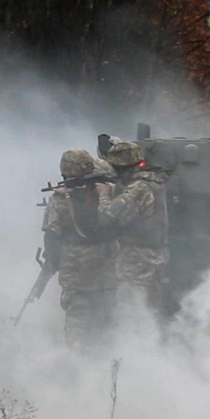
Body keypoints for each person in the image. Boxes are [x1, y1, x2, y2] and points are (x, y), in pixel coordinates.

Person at [41, 149, 120, 350]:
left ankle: (78, 361)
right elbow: (115, 221)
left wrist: (53, 263)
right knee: (105, 316)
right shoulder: (105, 192)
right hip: (104, 266)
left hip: (74, 269)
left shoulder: (60, 199)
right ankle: (107, 361)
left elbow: (51, 235)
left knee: (77, 317)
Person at [96, 139, 169, 311]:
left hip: (137, 259)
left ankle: (134, 338)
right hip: (149, 256)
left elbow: (108, 217)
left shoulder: (139, 188)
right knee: (147, 309)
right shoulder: (153, 181)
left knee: (132, 309)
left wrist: (103, 194)